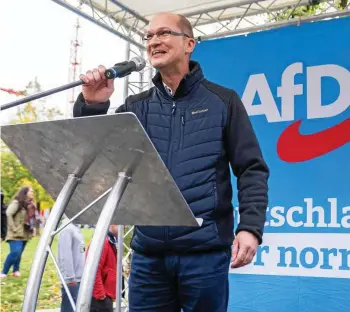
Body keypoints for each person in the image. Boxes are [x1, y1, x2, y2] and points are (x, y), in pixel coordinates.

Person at [73, 12, 269, 312]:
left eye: (163, 33)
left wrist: (250, 227)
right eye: (148, 36)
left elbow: (251, 169)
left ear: (189, 43)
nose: (154, 41)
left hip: (204, 255)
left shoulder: (223, 101)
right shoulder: (135, 108)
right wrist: (93, 105)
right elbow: (97, 156)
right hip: (148, 257)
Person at [1, 186, 35, 278]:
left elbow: (31, 219)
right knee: (15, 252)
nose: (32, 192)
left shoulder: (30, 204)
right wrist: (13, 227)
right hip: (15, 233)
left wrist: (32, 229)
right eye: (30, 191)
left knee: (19, 253)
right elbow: (8, 213)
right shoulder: (17, 203)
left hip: (24, 233)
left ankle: (16, 270)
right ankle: (3, 272)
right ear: (25, 192)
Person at [87, 224, 119, 312]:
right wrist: (100, 295)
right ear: (112, 225)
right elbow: (93, 269)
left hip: (105, 295)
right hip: (100, 298)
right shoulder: (103, 241)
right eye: (121, 225)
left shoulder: (110, 241)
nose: (123, 228)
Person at [57, 217, 85, 312]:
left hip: (79, 279)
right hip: (73, 280)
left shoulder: (76, 228)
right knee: (69, 308)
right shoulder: (67, 229)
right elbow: (65, 256)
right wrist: (69, 278)